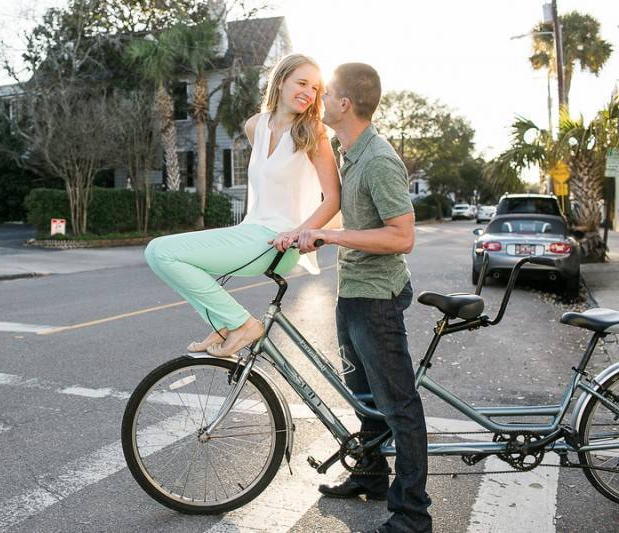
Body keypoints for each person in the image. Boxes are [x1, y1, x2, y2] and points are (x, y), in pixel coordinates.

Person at [288, 63, 432, 532]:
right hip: (353, 291)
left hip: (377, 297)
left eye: (327, 93)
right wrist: (308, 231)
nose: (320, 100)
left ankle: (412, 513)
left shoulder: (379, 160)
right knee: (365, 395)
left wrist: (333, 238)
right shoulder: (350, 152)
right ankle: (370, 475)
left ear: (345, 103)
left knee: (399, 404)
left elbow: (402, 237)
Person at [144, 53, 340, 358]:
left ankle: (242, 324)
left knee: (160, 251)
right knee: (158, 255)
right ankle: (224, 323)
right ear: (280, 82)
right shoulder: (255, 126)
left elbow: (334, 198)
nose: (309, 93)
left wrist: (298, 233)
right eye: (302, 83)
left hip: (279, 242)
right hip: (251, 231)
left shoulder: (312, 131)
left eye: (315, 88)